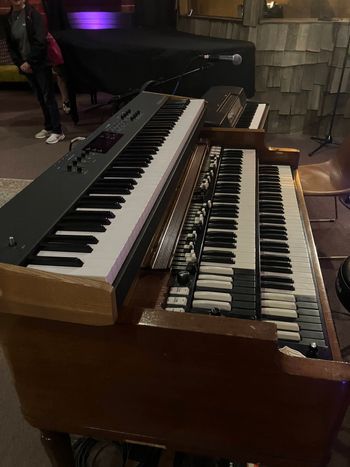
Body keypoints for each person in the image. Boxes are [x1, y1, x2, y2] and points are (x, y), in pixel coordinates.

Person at [4, 0, 65, 144]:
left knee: (48, 96)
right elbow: (11, 45)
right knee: (39, 97)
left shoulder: (34, 14)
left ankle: (57, 131)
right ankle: (48, 126)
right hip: (25, 66)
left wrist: (29, 62)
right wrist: (20, 64)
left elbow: (40, 41)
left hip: (39, 64)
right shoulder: (8, 18)